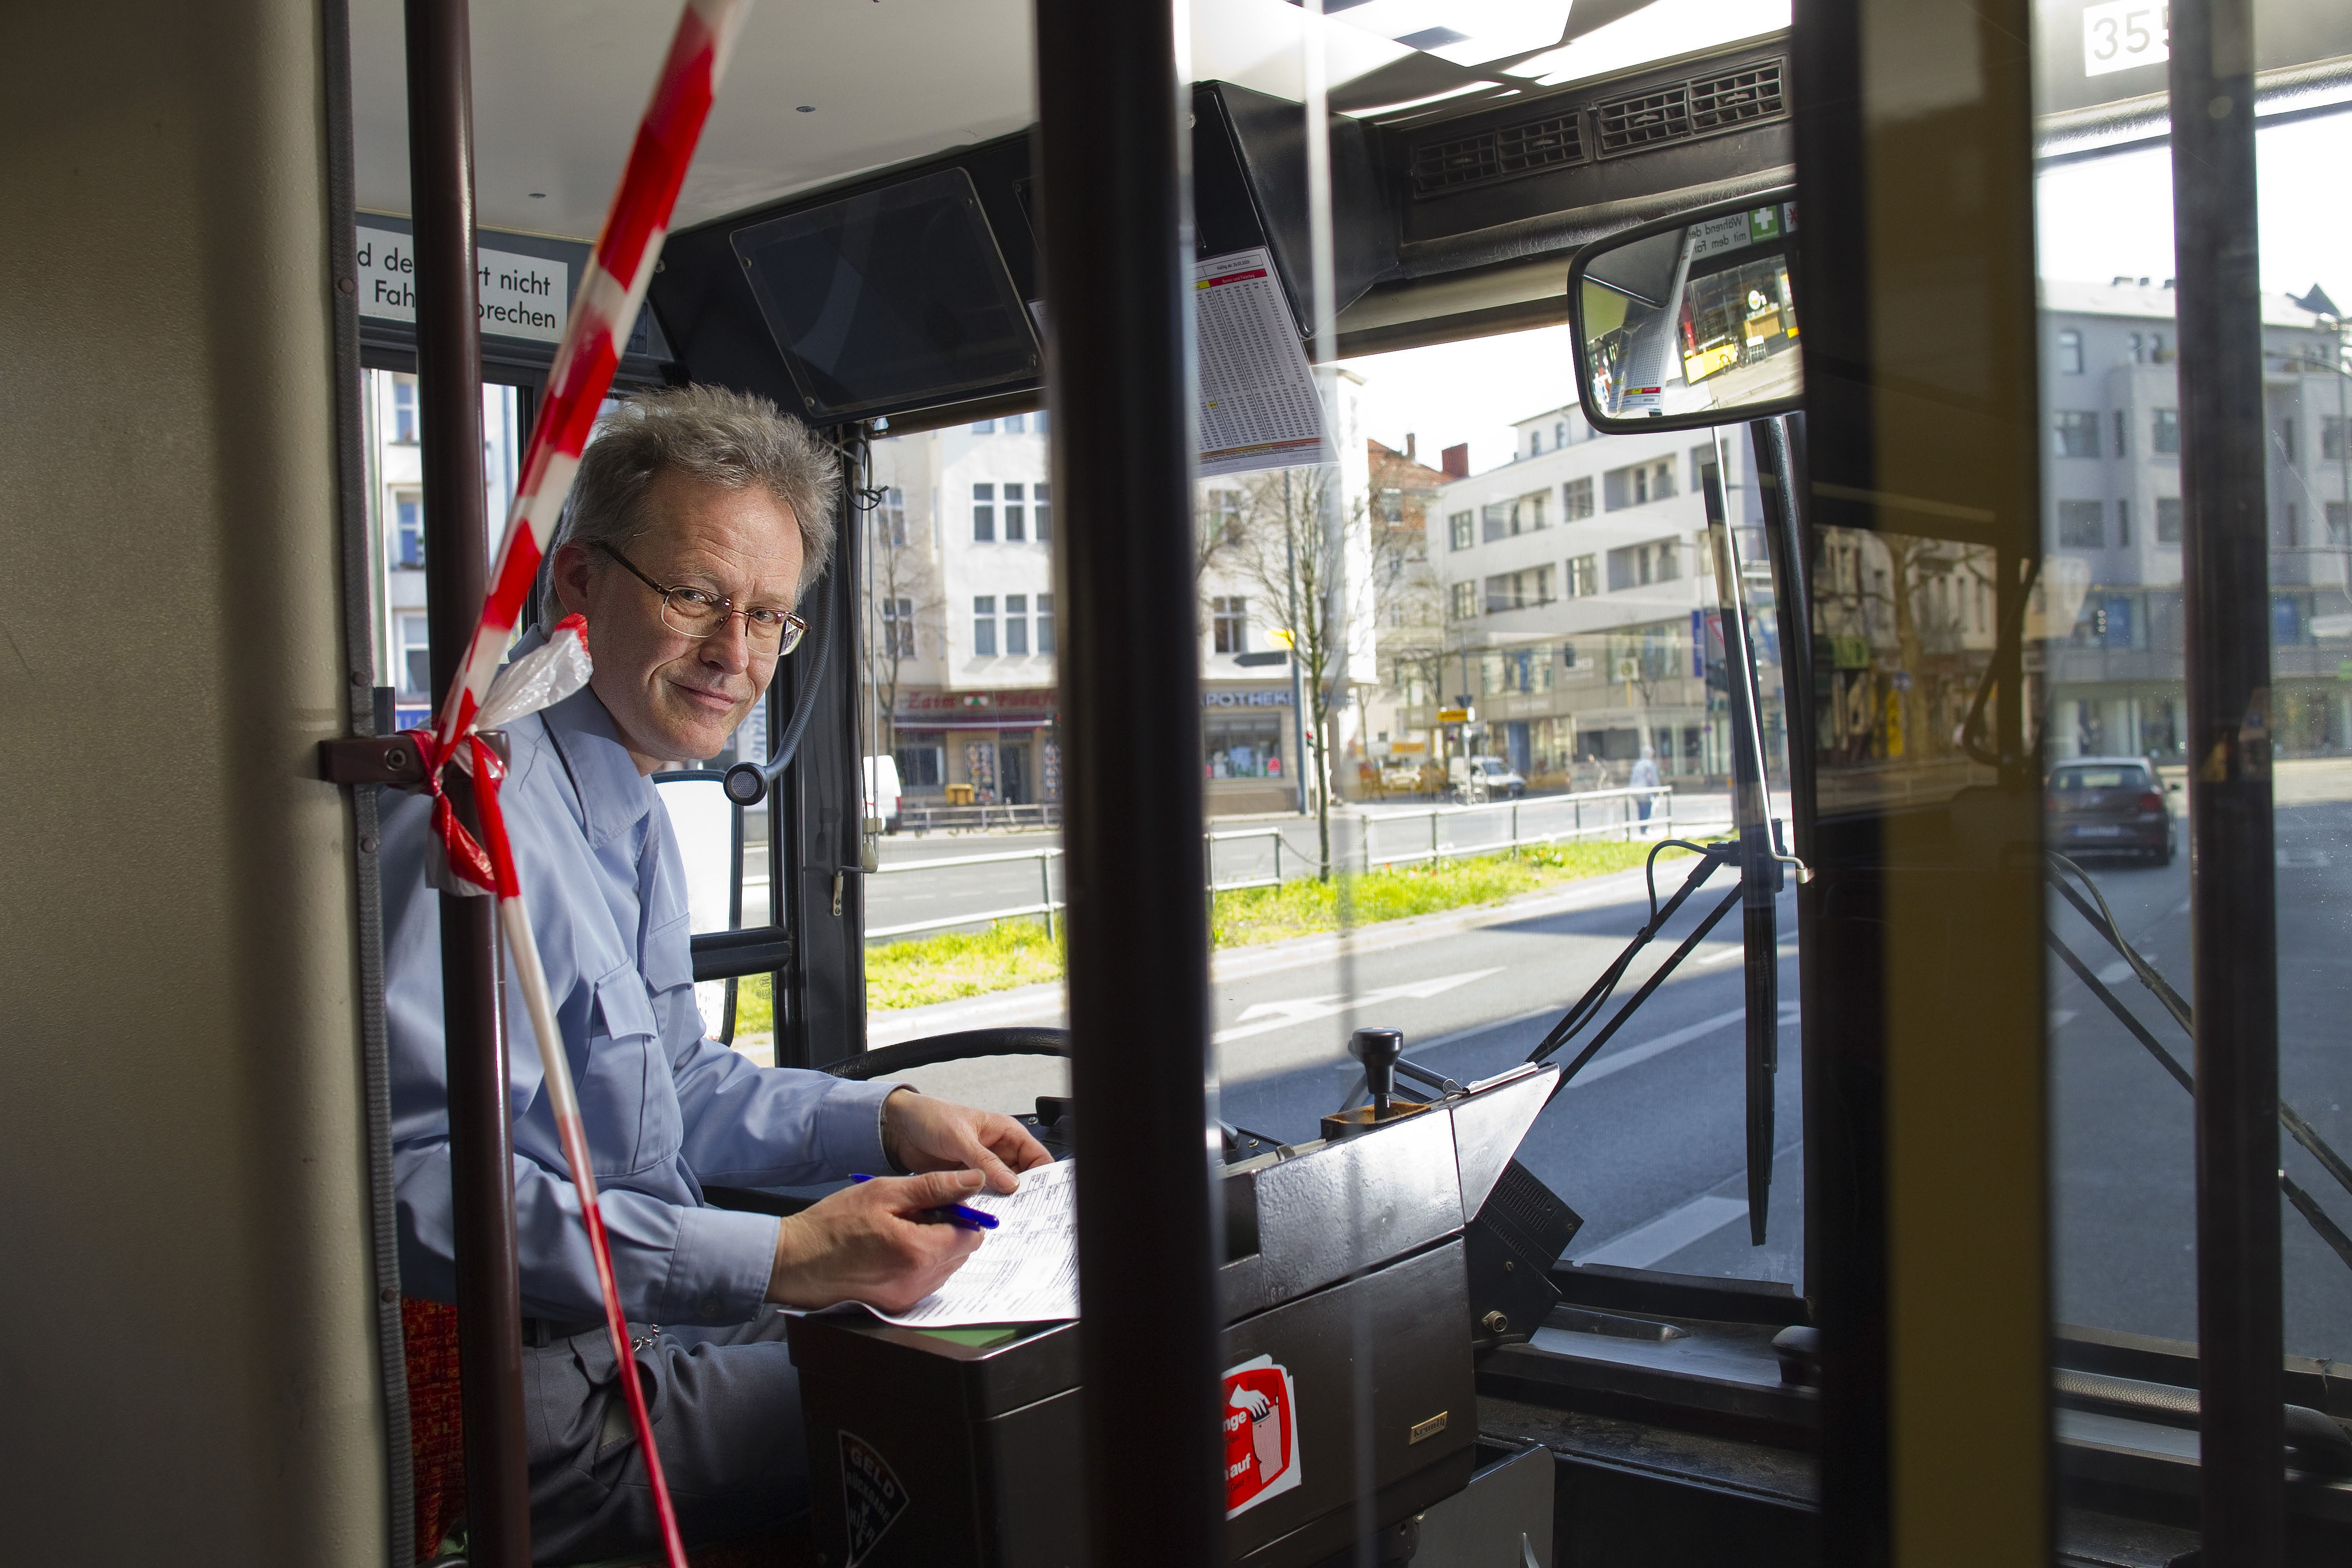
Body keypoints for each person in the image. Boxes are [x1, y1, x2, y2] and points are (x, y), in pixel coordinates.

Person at [382, 386, 1053, 1561]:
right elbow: (408, 1191)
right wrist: (786, 1257)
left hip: (654, 1329)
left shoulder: (623, 801)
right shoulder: (476, 818)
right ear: (578, 584)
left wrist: (887, 1121)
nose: (735, 657)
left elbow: (677, 1079)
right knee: (986, 1405)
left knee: (999, 1334)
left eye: (768, 616)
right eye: (697, 596)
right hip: (562, 1408)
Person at [1629, 744, 1662, 828]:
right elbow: (1654, 779)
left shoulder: (1637, 764)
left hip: (1636, 791)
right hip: (1646, 792)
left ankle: (1643, 828)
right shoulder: (1649, 764)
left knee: (1641, 809)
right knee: (1647, 809)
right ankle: (1645, 828)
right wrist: (1657, 789)